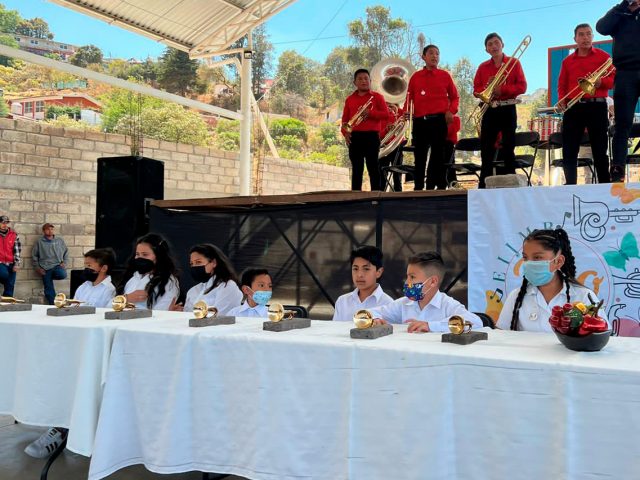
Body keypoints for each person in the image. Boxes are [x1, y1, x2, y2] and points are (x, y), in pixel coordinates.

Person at [496, 228, 608, 331]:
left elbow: (600, 336)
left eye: (537, 257)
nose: (529, 263)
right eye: (525, 257)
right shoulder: (516, 297)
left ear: (558, 261)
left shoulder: (584, 296)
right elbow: (501, 337)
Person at [558, 23, 614, 184]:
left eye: (588, 34)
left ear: (592, 37)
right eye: (581, 35)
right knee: (569, 149)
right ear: (575, 38)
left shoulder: (603, 57)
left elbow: (613, 81)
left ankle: (604, 186)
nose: (585, 38)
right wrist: (562, 98)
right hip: (573, 107)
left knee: (600, 149)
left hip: (597, 106)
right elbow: (561, 85)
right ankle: (570, 186)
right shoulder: (567, 61)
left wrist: (600, 82)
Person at [370, 251, 482, 332]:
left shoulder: (447, 305)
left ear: (433, 281)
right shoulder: (404, 304)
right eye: (407, 277)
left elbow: (475, 321)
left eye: (412, 277)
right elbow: (371, 313)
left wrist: (430, 326)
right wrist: (376, 319)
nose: (406, 282)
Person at [474, 33, 527, 188]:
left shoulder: (514, 63)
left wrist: (502, 89)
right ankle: (484, 186)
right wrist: (487, 89)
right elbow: (476, 89)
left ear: (503, 44)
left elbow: (522, 86)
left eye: (496, 42)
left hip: (508, 107)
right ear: (486, 49)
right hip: (490, 110)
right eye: (490, 44)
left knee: (509, 147)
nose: (494, 46)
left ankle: (510, 185)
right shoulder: (482, 67)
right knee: (486, 149)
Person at [405, 45, 459, 190]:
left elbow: (455, 97)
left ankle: (438, 189)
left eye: (437, 54)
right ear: (423, 56)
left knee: (438, 158)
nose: (434, 56)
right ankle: (418, 189)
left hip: (439, 121)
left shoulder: (445, 75)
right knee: (420, 158)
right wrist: (406, 112)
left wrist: (451, 111)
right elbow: (409, 98)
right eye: (431, 53)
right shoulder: (415, 77)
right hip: (419, 122)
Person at [597, 0, 640, 182]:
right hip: (624, 74)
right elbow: (601, 27)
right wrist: (623, 6)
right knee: (622, 125)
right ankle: (618, 170)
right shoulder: (618, 14)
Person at [341, 68, 389, 191]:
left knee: (373, 167)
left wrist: (371, 113)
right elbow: (345, 121)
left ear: (370, 80)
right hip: (355, 137)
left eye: (366, 78)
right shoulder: (349, 99)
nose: (364, 81)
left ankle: (376, 197)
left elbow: (386, 115)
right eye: (360, 79)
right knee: (357, 169)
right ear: (354, 83)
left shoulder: (377, 97)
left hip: (372, 137)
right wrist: (345, 133)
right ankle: (356, 196)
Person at [332, 245, 394, 321]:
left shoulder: (389, 305)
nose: (359, 275)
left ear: (379, 272)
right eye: (355, 268)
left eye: (366, 269)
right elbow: (335, 331)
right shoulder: (342, 302)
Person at [177, 243, 242, 315]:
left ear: (214, 263)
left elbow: (218, 316)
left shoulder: (227, 286)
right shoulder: (193, 290)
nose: (194, 266)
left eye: (198, 262)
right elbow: (186, 318)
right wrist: (176, 313)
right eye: (192, 263)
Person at [120, 233, 180, 310]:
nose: (140, 258)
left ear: (158, 256)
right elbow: (107, 307)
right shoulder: (132, 277)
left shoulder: (168, 281)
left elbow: (161, 312)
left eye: (145, 254)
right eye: (137, 254)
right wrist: (126, 298)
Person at [32, 223, 68, 305]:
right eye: (48, 229)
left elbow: (66, 252)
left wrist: (64, 262)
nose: (50, 231)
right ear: (44, 231)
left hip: (57, 266)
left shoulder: (59, 240)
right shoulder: (40, 242)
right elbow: (34, 255)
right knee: (48, 288)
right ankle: (53, 304)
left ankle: (49, 277)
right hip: (45, 267)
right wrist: (37, 268)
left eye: (51, 229)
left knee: (62, 274)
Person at [378, 102, 405, 191]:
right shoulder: (380, 115)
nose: (390, 106)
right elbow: (378, 135)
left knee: (397, 174)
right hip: (384, 147)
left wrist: (397, 108)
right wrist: (386, 130)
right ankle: (380, 196)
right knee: (382, 175)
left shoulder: (400, 113)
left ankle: (398, 196)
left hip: (397, 146)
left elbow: (408, 114)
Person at [0, 215, 21, 297]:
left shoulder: (13, 234)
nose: (5, 225)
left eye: (6, 223)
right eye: (2, 223)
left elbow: (17, 250)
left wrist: (17, 264)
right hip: (0, 262)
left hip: (11, 263)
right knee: (4, 274)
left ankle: (6, 303)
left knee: (10, 285)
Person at [444, 114, 461, 186]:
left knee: (450, 164)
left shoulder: (456, 119)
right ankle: (451, 183)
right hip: (439, 144)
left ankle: (452, 183)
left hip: (449, 144)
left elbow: (451, 131)